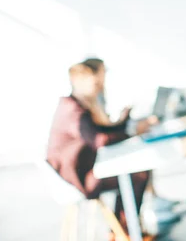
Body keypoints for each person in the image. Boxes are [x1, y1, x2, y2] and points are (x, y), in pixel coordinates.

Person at [46, 62, 158, 240]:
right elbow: (100, 140)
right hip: (77, 180)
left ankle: (123, 230)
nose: (100, 88)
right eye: (97, 84)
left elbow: (101, 132)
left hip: (77, 173)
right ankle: (124, 231)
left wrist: (125, 121)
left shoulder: (75, 105)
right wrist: (131, 130)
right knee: (137, 174)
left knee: (133, 172)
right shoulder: (75, 111)